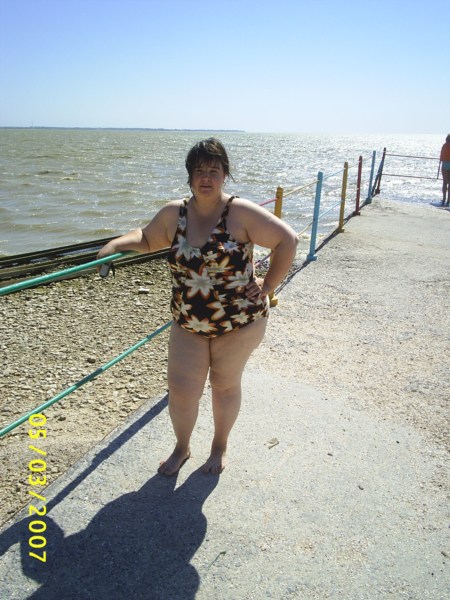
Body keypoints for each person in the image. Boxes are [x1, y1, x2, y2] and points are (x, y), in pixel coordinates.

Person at [97, 138, 298, 476]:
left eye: (214, 171)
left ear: (224, 175)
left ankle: (219, 446)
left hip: (239, 321)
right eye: (200, 171)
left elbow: (287, 240)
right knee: (181, 390)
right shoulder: (174, 213)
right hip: (188, 319)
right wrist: (113, 246)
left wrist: (267, 285)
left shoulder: (240, 212)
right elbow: (147, 238)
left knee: (224, 385)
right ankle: (182, 446)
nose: (206, 178)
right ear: (190, 175)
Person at [439, 134, 450, 206]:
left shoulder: (444, 145)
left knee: (445, 182)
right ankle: (448, 201)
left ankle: (443, 199)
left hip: (445, 164)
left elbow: (441, 156)